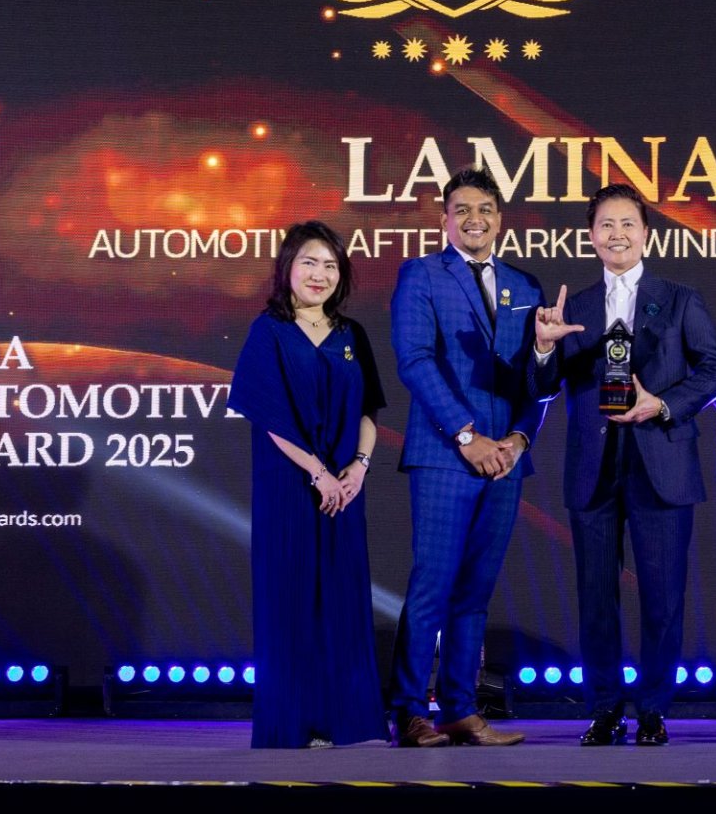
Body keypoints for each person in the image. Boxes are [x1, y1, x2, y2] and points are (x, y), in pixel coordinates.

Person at [530, 184, 716, 746]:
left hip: (660, 460)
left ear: (646, 233)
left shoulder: (680, 299)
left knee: (662, 597)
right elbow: (543, 387)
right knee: (596, 596)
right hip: (593, 466)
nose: (617, 234)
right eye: (606, 225)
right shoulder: (575, 306)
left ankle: (653, 710)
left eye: (627, 224)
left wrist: (661, 404)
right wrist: (543, 348)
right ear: (591, 236)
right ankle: (603, 709)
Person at [387, 168, 549, 747]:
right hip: (444, 455)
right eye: (462, 210)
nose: (474, 219)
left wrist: (520, 438)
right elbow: (414, 361)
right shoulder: (422, 274)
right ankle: (410, 710)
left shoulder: (525, 285)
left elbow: (536, 378)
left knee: (476, 591)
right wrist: (466, 435)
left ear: (500, 219)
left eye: (484, 209)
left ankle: (459, 707)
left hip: (505, 460)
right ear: (444, 220)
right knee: (432, 586)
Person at [228, 220, 390, 749]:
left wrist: (358, 468)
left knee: (342, 599)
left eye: (330, 265)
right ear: (287, 269)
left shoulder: (351, 335)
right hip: (289, 486)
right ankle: (293, 725)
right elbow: (271, 417)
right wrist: (317, 473)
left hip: (344, 489)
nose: (320, 274)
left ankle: (347, 722)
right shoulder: (268, 331)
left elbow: (368, 411)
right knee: (290, 600)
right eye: (309, 263)